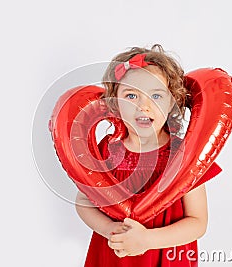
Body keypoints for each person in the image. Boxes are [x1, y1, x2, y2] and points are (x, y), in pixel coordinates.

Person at [75, 44, 222, 267]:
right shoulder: (107, 149)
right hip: (115, 253)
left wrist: (146, 240)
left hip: (165, 255)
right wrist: (109, 229)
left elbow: (197, 222)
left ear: (173, 101)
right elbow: (84, 201)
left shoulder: (185, 156)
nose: (144, 106)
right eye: (131, 95)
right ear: (114, 102)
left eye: (156, 95)